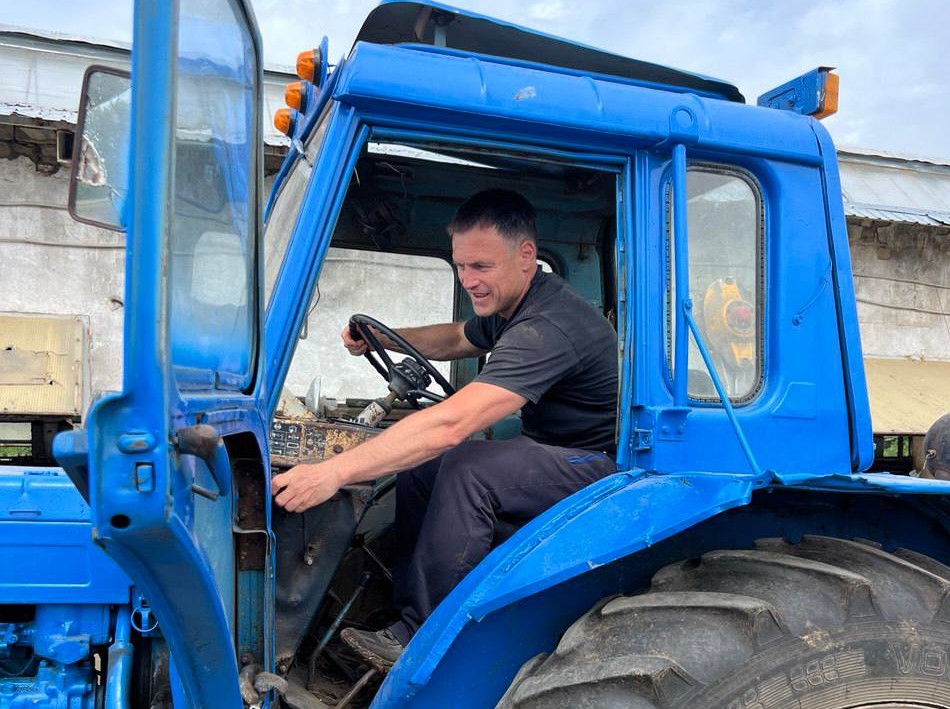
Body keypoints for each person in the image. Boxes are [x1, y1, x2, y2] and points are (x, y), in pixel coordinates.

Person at [271, 189, 618, 671]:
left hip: (593, 465)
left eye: (481, 267)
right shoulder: (512, 306)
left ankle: (422, 637)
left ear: (526, 256)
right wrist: (388, 338)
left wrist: (330, 472)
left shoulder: (551, 325)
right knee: (423, 463)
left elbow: (455, 423)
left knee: (464, 464)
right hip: (547, 449)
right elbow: (458, 337)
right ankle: (404, 601)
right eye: (460, 267)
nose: (469, 280)